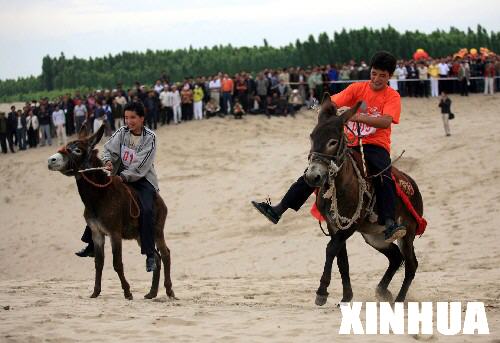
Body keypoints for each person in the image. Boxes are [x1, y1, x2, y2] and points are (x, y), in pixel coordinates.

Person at [251, 51, 406, 243]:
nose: (376, 79)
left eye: (382, 75)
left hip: (376, 145)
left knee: (384, 175)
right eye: (374, 73)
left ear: (389, 76)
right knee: (315, 168)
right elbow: (332, 102)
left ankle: (390, 222)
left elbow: (385, 121)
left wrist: (356, 116)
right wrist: (328, 111)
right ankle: (279, 209)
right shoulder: (358, 88)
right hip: (349, 144)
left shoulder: (392, 96)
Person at [75, 102, 160, 272]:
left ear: (142, 118)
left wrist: (122, 176)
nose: (129, 121)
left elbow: (141, 164)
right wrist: (107, 161)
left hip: (142, 180)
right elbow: (108, 149)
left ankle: (150, 254)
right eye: (126, 117)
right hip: (119, 175)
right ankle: (91, 244)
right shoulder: (121, 132)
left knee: (147, 210)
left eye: (133, 118)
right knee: (99, 202)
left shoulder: (150, 137)